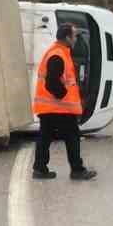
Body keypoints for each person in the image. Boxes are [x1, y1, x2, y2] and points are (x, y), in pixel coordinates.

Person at [33, 22, 97, 182]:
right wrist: (62, 95)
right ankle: (77, 170)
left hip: (50, 108)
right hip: (59, 108)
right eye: (74, 35)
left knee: (45, 138)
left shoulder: (59, 52)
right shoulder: (58, 55)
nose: (76, 39)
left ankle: (40, 169)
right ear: (67, 37)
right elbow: (51, 82)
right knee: (72, 137)